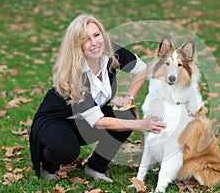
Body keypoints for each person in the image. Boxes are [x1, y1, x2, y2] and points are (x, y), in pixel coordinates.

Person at [29, 14, 166, 182]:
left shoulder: (110, 51)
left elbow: (142, 70)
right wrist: (141, 124)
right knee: (67, 151)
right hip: (56, 121)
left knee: (125, 115)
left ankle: (95, 167)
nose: (94, 43)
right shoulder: (76, 75)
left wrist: (129, 98)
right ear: (77, 46)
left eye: (96, 35)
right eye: (86, 40)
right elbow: (98, 122)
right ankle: (49, 165)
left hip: (85, 119)